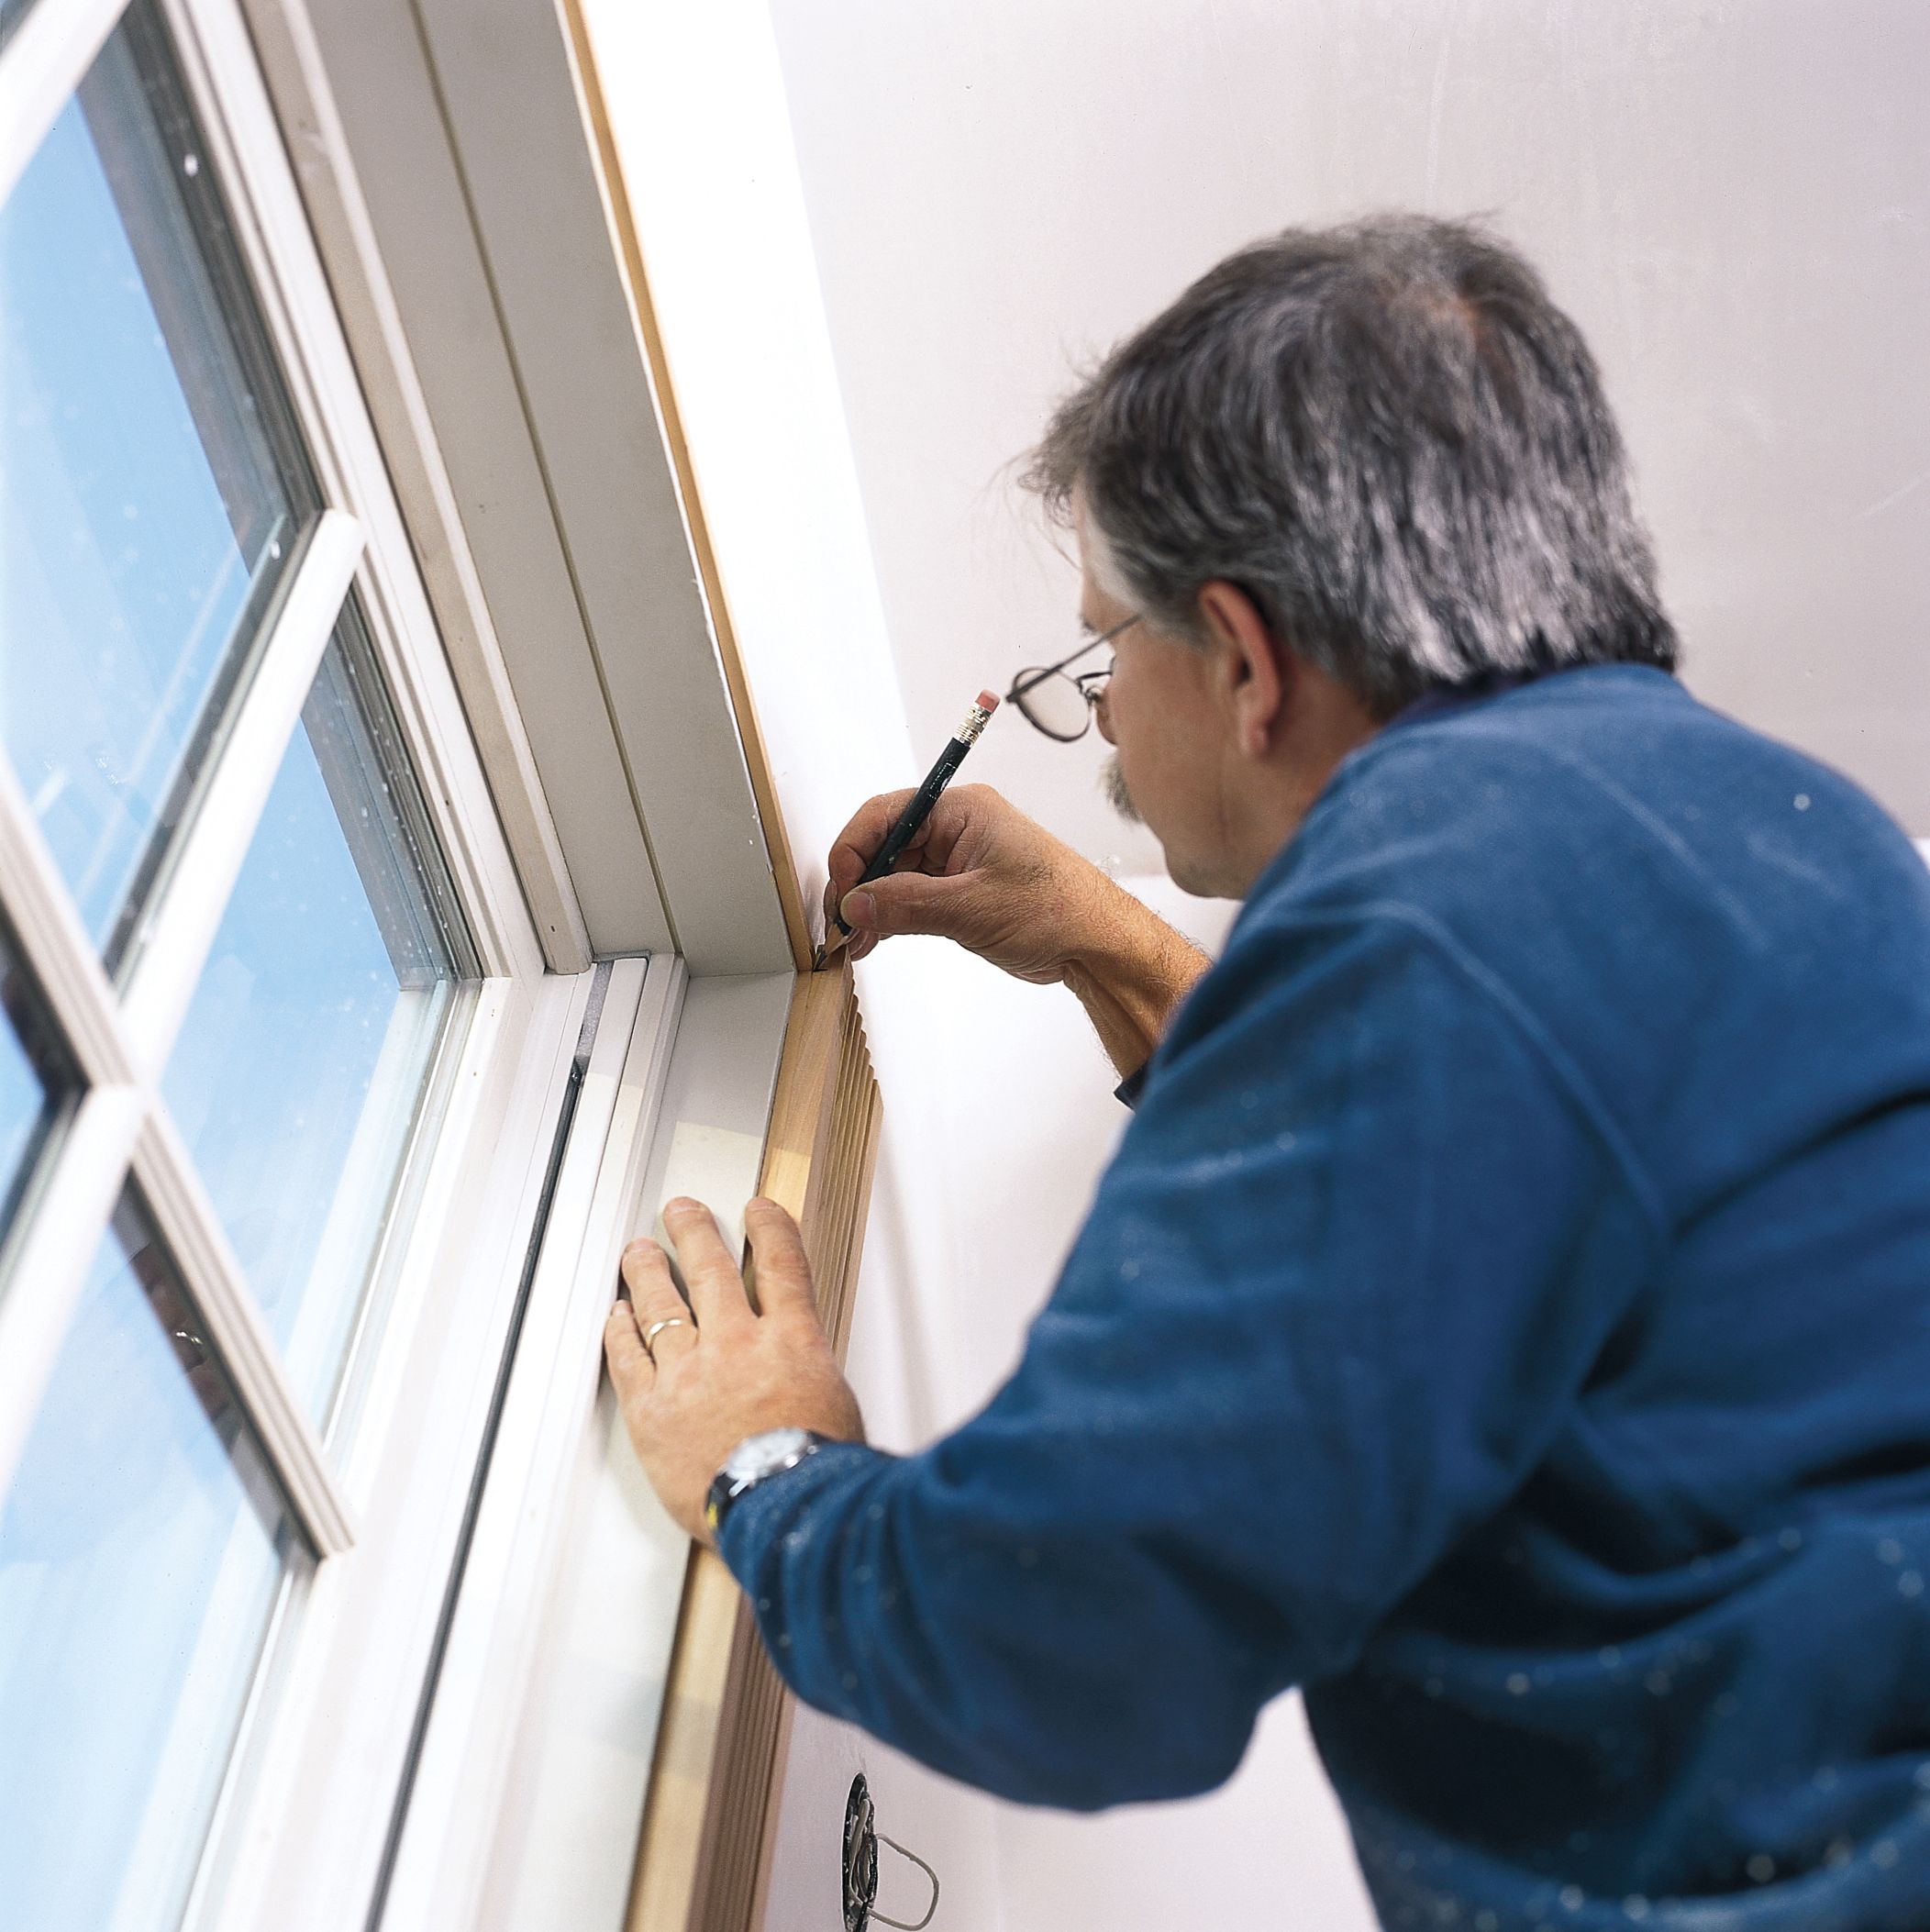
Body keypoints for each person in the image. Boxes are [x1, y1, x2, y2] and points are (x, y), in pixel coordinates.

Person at [603, 216, 1930, 1931]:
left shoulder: (1421, 942)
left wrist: (767, 1464)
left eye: (1105, 652)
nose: (1105, 721)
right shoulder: (1798, 830)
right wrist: (1112, 941)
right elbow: (1481, 1198)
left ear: (1243, 657)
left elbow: (1066, 1636)